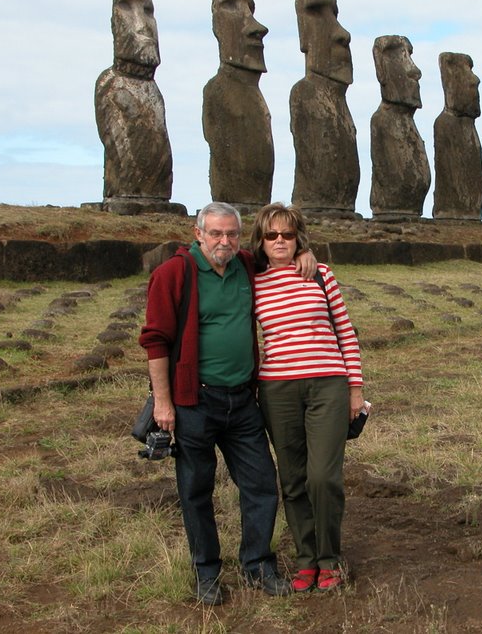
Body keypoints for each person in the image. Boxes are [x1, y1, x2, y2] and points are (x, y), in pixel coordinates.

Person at [139, 201, 315, 605]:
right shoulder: (174, 274)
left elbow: (281, 250)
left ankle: (258, 565)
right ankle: (207, 573)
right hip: (194, 401)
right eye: (215, 233)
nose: (224, 241)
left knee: (261, 485)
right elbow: (156, 341)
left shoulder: (244, 266)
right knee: (196, 490)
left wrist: (306, 251)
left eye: (232, 234)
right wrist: (164, 404)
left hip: (242, 399)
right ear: (198, 233)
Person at [249, 203, 365, 593]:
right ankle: (306, 558)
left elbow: (346, 332)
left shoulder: (320, 275)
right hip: (277, 387)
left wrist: (355, 388)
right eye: (272, 235)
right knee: (293, 477)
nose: (280, 241)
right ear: (261, 241)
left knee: (323, 476)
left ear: (299, 238)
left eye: (288, 234)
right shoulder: (252, 281)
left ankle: (330, 557)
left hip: (328, 383)